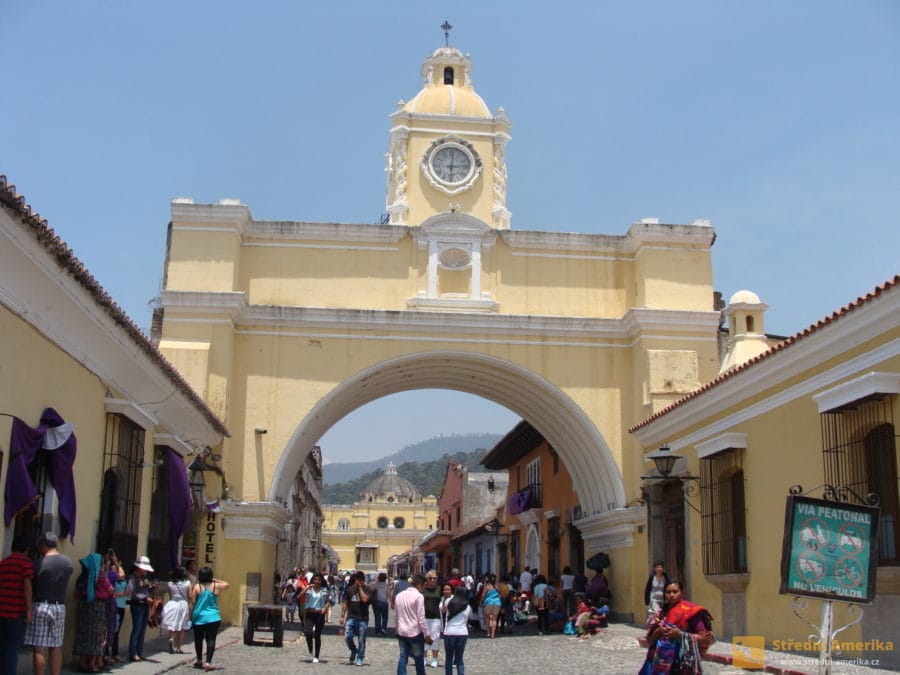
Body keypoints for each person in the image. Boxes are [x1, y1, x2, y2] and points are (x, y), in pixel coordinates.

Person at [640, 580, 714, 675]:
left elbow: (705, 639)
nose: (671, 595)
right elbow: (649, 640)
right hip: (657, 664)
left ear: (682, 593)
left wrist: (680, 635)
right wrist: (659, 631)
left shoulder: (692, 612)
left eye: (675, 592)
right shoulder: (660, 614)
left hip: (681, 664)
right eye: (668, 592)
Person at [73, 552, 112, 674]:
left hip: (83, 606)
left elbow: (75, 594)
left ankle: (82, 662)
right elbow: (111, 590)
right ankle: (92, 664)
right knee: (96, 636)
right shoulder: (99, 576)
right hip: (97, 607)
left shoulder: (82, 577)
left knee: (84, 634)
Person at [0, 536, 33, 675]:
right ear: (26, 550)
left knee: (2, 649)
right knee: (12, 650)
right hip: (16, 613)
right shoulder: (25, 563)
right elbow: (27, 585)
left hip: (1, 612)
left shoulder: (3, 563)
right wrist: (29, 609)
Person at [190, 566, 229, 672]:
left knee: (198, 639)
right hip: (213, 617)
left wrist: (190, 615)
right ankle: (208, 662)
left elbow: (192, 602)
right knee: (211, 639)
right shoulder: (215, 586)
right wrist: (216, 580)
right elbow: (227, 584)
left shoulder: (197, 587)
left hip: (199, 617)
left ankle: (199, 660)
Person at [394, 573, 433, 675]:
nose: (424, 588)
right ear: (419, 585)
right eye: (424, 586)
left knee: (403, 655)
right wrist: (427, 634)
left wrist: (397, 630)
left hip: (402, 632)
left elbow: (396, 615)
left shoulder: (399, 596)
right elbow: (421, 618)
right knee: (418, 657)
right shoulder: (419, 596)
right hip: (415, 632)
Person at [125, 555, 156, 662]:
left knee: (142, 629)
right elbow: (131, 593)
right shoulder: (132, 577)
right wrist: (144, 598)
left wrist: (151, 587)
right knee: (137, 628)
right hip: (137, 605)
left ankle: (139, 651)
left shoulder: (144, 577)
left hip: (144, 605)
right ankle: (133, 652)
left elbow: (145, 588)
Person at [340, 571, 371, 666]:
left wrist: (360, 589)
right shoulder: (349, 589)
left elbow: (365, 599)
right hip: (351, 617)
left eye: (361, 581)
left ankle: (360, 657)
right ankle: (354, 650)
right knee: (347, 636)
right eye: (358, 580)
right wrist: (342, 616)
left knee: (361, 640)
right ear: (355, 580)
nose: (359, 582)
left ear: (364, 581)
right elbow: (345, 603)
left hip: (363, 618)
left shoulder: (368, 589)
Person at [299, 573, 331, 663]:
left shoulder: (324, 590)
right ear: (313, 580)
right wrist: (307, 587)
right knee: (308, 632)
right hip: (310, 613)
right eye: (315, 579)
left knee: (317, 635)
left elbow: (328, 601)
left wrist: (325, 608)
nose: (317, 581)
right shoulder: (309, 589)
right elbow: (299, 596)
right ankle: (310, 652)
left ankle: (316, 656)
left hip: (319, 615)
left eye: (318, 580)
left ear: (321, 581)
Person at [441, 586, 470, 675]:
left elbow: (443, 611)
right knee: (459, 658)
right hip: (462, 633)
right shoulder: (468, 606)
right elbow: (468, 618)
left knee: (449, 658)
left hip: (449, 632)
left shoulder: (448, 601)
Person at [162, 566, 191, 654]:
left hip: (173, 603)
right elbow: (190, 596)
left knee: (172, 625)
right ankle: (179, 647)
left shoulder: (170, 584)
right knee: (182, 627)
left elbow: (170, 595)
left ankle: (171, 639)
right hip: (183, 604)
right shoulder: (187, 583)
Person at [479, 574, 502, 639]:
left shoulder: (487, 586)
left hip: (488, 603)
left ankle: (488, 632)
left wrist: (480, 602)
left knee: (487, 618)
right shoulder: (497, 586)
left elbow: (483, 595)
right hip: (497, 603)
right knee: (494, 619)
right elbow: (500, 594)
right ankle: (492, 634)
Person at [372, 572, 390, 636]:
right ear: (385, 578)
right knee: (385, 617)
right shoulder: (386, 585)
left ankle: (378, 631)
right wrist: (390, 601)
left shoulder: (375, 584)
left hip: (377, 602)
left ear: (379, 578)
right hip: (384, 602)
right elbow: (388, 594)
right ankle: (383, 629)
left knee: (377, 617)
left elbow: (372, 593)